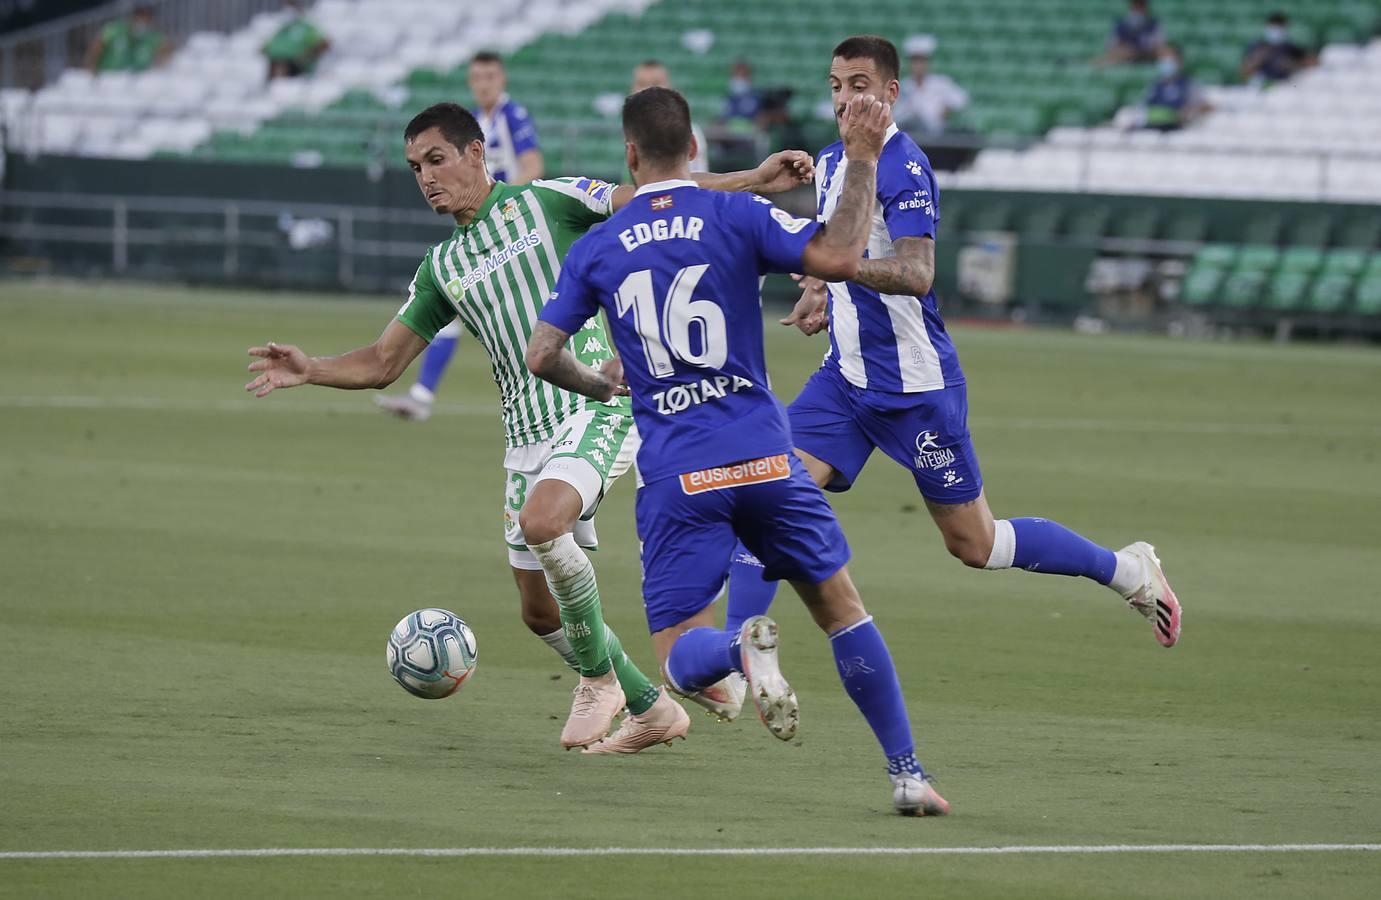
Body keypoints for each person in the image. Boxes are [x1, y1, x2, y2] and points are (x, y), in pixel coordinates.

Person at [244, 102, 816, 752]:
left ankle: (599, 681)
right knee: (539, 610)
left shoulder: (551, 200)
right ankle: (649, 708)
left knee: (541, 524)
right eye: (414, 168)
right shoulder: (441, 268)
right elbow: (382, 362)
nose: (426, 177)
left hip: (598, 401)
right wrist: (311, 367)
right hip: (526, 437)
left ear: (475, 154)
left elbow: (657, 193)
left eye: (436, 159)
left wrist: (754, 179)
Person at [527, 85, 949, 816]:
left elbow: (541, 354)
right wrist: (860, 158)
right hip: (766, 456)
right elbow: (841, 255)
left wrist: (598, 385)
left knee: (678, 661)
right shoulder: (737, 212)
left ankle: (736, 652)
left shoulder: (598, 246)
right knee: (842, 609)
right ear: (693, 148)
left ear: (630, 155)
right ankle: (907, 774)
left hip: (678, 475)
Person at [769, 36, 1182, 650]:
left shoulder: (904, 164)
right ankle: (734, 659)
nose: (844, 99)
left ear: (890, 93)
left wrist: (836, 268)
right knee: (771, 490)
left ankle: (1129, 571)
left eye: (859, 85)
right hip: (845, 381)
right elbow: (846, 250)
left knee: (975, 545)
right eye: (835, 86)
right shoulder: (833, 162)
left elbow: (915, 273)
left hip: (917, 389)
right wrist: (820, 289)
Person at [375, 51, 543, 423]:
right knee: (456, 304)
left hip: (510, 223)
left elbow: (532, 163)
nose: (484, 84)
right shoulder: (473, 122)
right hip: (488, 226)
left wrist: (504, 202)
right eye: (478, 77)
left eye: (490, 77)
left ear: (502, 80)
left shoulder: (511, 116)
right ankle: (422, 394)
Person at [631, 59, 709, 174]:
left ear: (669, 87)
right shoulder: (633, 131)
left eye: (655, 83)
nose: (648, 90)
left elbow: (695, 183)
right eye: (642, 83)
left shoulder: (685, 132)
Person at [893, 34, 968, 136]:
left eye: (922, 61)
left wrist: (946, 109)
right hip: (911, 136)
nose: (918, 65)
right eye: (915, 61)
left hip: (936, 136)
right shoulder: (903, 86)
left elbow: (961, 99)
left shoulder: (941, 83)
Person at [1139, 43, 1210, 130]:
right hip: (1154, 128)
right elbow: (1143, 108)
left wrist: (1190, 111)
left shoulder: (1189, 84)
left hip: (1180, 130)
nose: (1164, 61)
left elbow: (1205, 106)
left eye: (1169, 58)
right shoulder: (1155, 85)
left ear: (1179, 61)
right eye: (1161, 58)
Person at [84, 5, 170, 74]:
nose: (142, 24)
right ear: (133, 18)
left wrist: (159, 63)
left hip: (133, 80)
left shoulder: (152, 37)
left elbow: (166, 50)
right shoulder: (115, 29)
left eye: (146, 21)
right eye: (140, 19)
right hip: (108, 76)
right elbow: (96, 47)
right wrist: (91, 67)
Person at [1241, 12, 1314, 86]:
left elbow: (1311, 63)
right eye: (1274, 27)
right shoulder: (1258, 46)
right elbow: (1243, 72)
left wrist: (1292, 65)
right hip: (1262, 84)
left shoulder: (1289, 47)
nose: (1276, 31)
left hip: (1284, 84)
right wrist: (1257, 59)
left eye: (1279, 27)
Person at [263, 0, 330, 80]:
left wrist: (308, 54)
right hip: (275, 64)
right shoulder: (281, 29)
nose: (288, 9)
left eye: (291, 5)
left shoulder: (306, 27)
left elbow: (324, 43)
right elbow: (265, 48)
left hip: (297, 68)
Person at [1095, 0, 1164, 66]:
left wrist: (1142, 48)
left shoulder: (1153, 23)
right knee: (1117, 54)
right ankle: (1096, 66)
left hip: (1147, 54)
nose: (1138, 10)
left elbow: (1158, 42)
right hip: (1125, 54)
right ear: (1132, 7)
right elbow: (1111, 44)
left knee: (1164, 51)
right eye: (1136, 6)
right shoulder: (1121, 24)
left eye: (1140, 6)